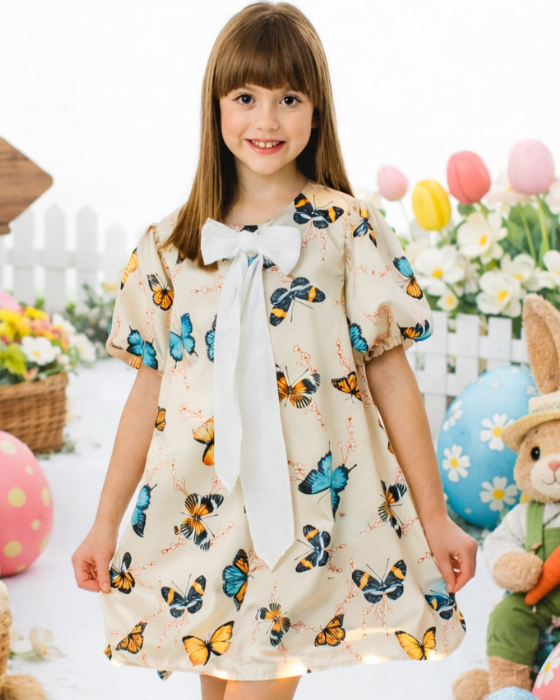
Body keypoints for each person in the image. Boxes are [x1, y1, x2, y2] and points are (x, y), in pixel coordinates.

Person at [71, 3, 478, 699]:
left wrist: (435, 515)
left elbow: (392, 378)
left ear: (317, 110)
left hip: (310, 512)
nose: (267, 119)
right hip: (200, 509)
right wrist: (103, 524)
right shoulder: (170, 245)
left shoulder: (345, 229)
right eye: (245, 97)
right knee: (220, 682)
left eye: (289, 98)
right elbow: (149, 393)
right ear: (215, 107)